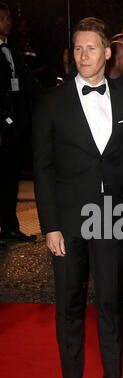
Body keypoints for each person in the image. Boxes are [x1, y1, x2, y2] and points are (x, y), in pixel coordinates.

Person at [33, 17, 123, 378]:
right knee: (69, 305)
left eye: (91, 48)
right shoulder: (51, 101)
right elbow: (42, 167)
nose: (83, 56)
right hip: (68, 220)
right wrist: (50, 226)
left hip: (113, 218)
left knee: (111, 301)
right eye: (77, 49)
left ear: (108, 53)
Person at [0, 1, 39, 242]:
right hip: (2, 126)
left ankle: (10, 227)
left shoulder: (11, 49)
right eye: (3, 18)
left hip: (15, 127)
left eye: (8, 18)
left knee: (10, 177)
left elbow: (25, 81)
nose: (8, 22)